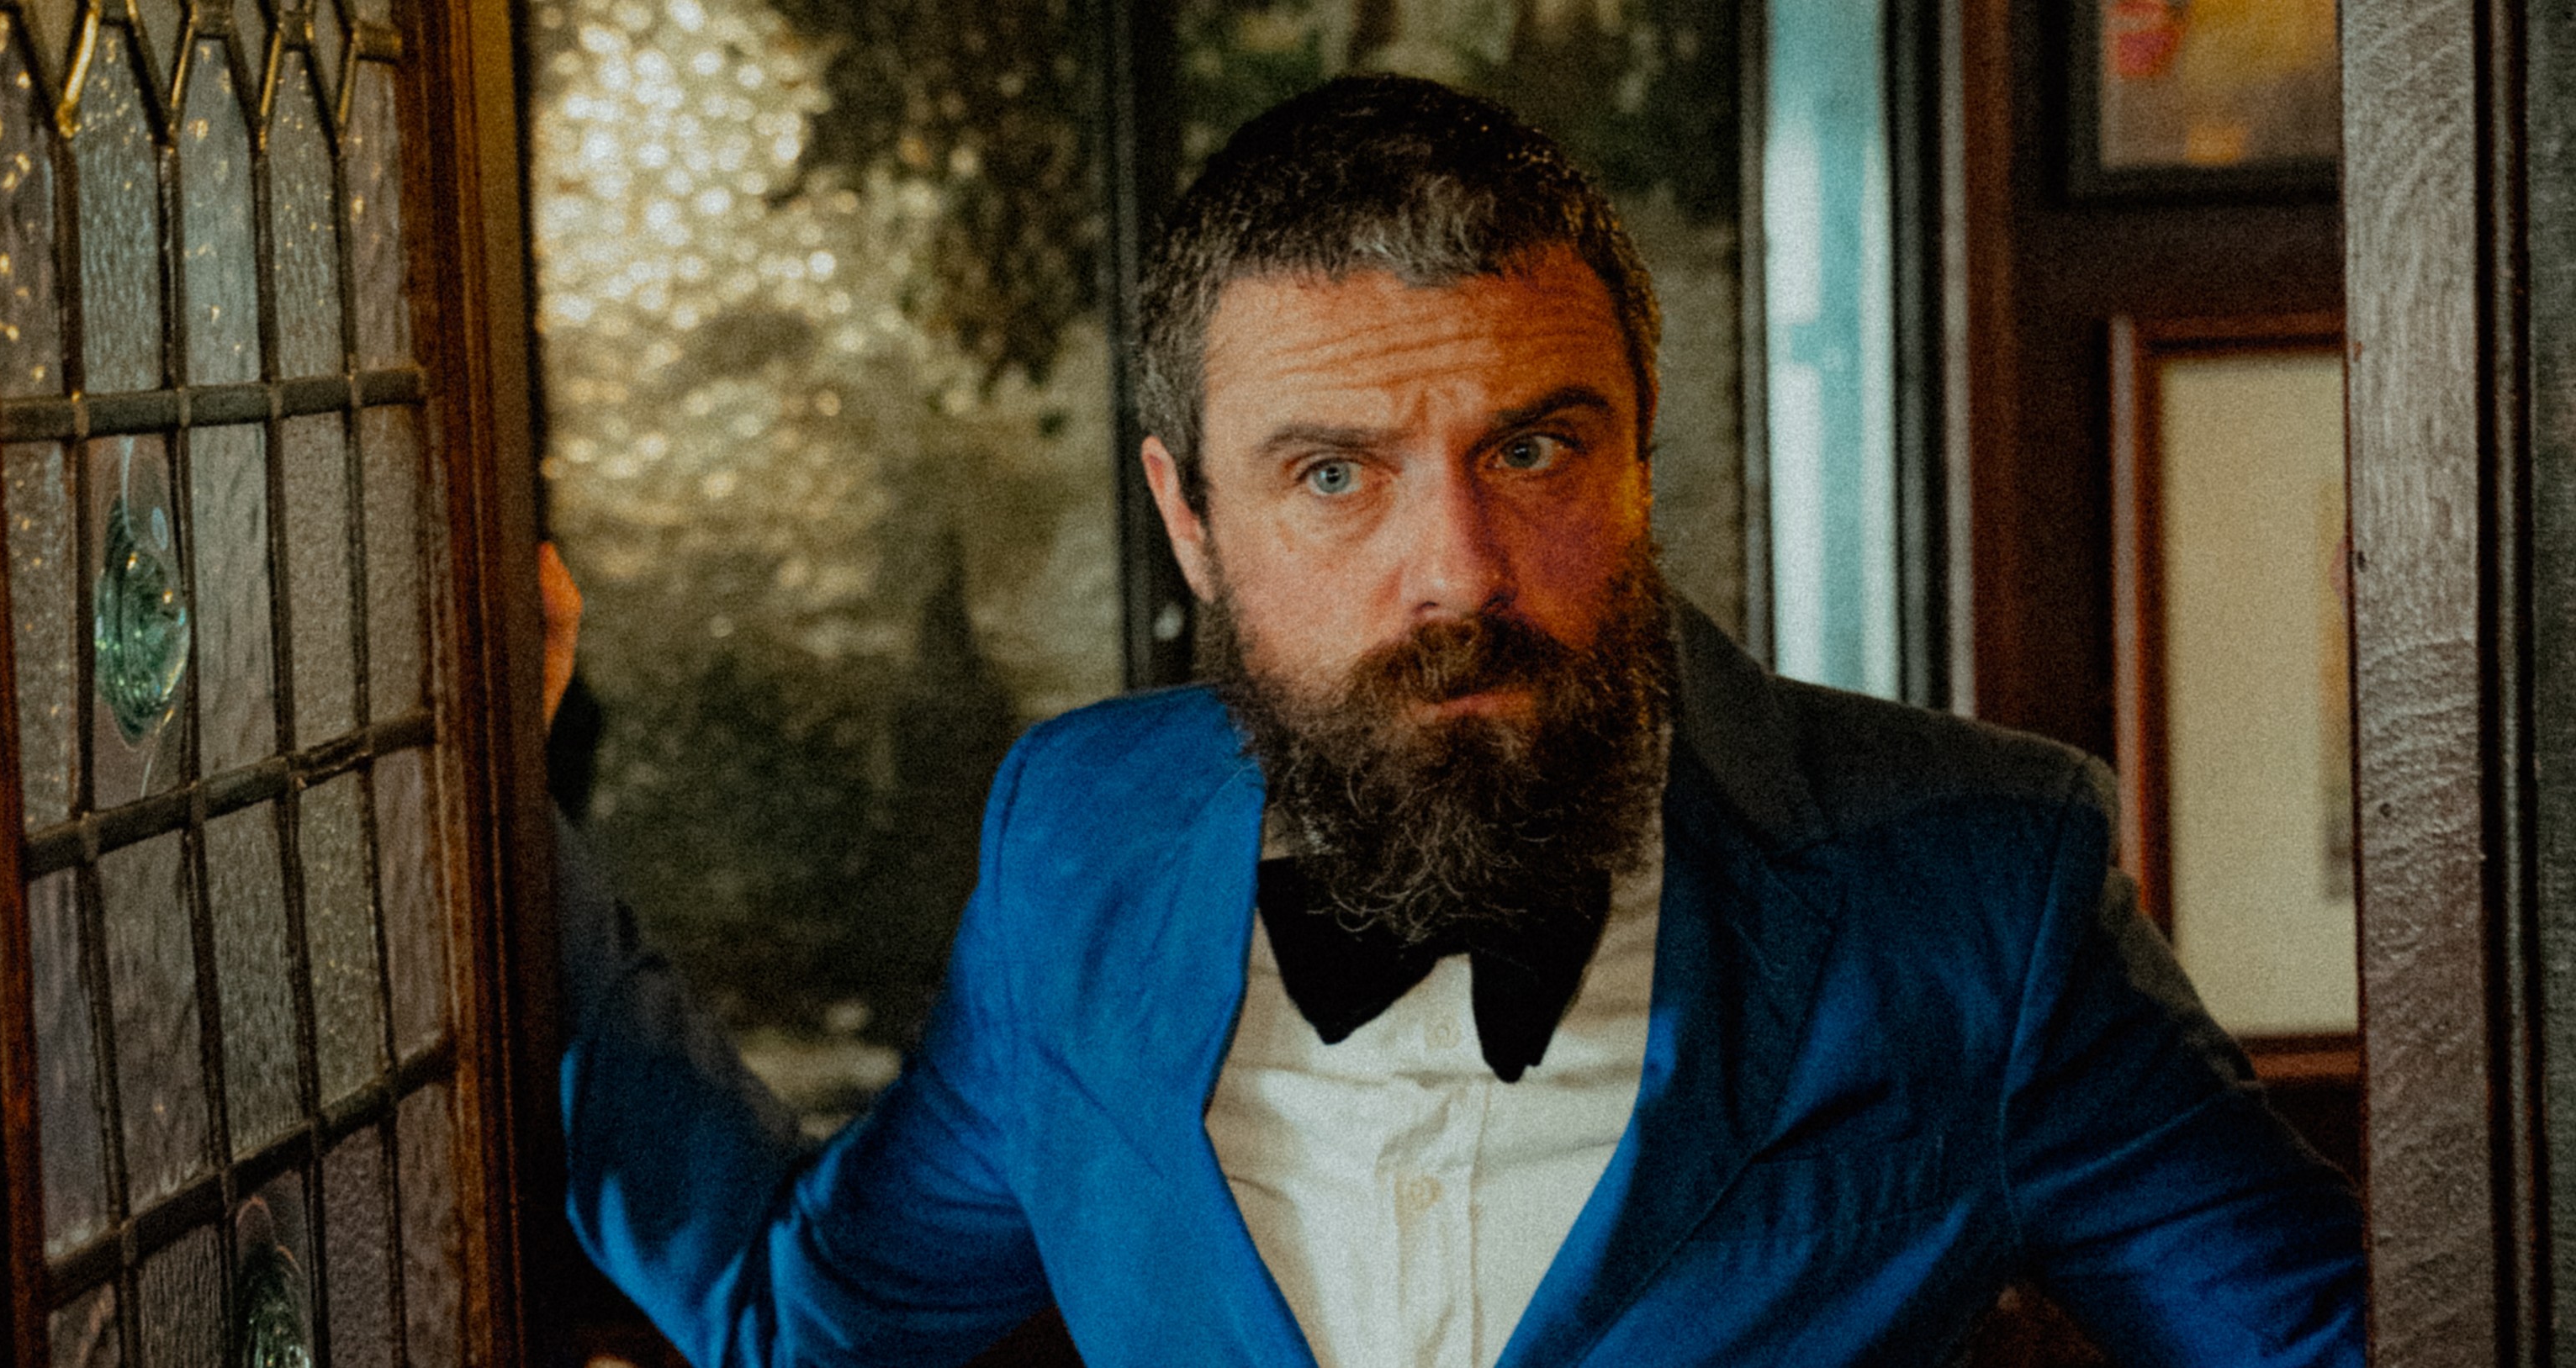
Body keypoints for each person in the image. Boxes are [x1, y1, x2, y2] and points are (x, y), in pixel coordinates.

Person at [552, 75, 2364, 1367]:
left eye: (1535, 448)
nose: (1460, 571)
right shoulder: (1075, 844)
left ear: (1639, 459)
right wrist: (500, 807)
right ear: (1190, 519)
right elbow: (811, 1320)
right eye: (1333, 473)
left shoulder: (1975, 883)